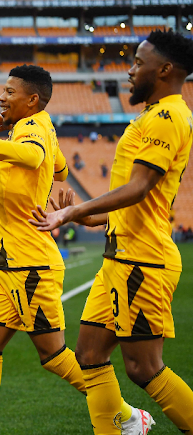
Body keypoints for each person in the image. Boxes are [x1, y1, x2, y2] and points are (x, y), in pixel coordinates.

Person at [0, 65, 127, 435]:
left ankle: (125, 415)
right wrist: (13, 134)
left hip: (31, 265)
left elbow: (34, 159)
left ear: (32, 100)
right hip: (8, 264)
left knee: (53, 356)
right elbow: (58, 169)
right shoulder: (38, 126)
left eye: (9, 92)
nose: (1, 97)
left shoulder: (33, 126)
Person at [31, 30, 193, 434]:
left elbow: (139, 187)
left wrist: (74, 213)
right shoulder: (154, 115)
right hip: (120, 257)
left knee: (143, 367)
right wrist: (91, 218)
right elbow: (138, 199)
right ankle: (123, 428)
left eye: (139, 63)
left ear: (165, 69)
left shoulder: (168, 117)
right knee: (89, 354)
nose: (130, 70)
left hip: (143, 260)